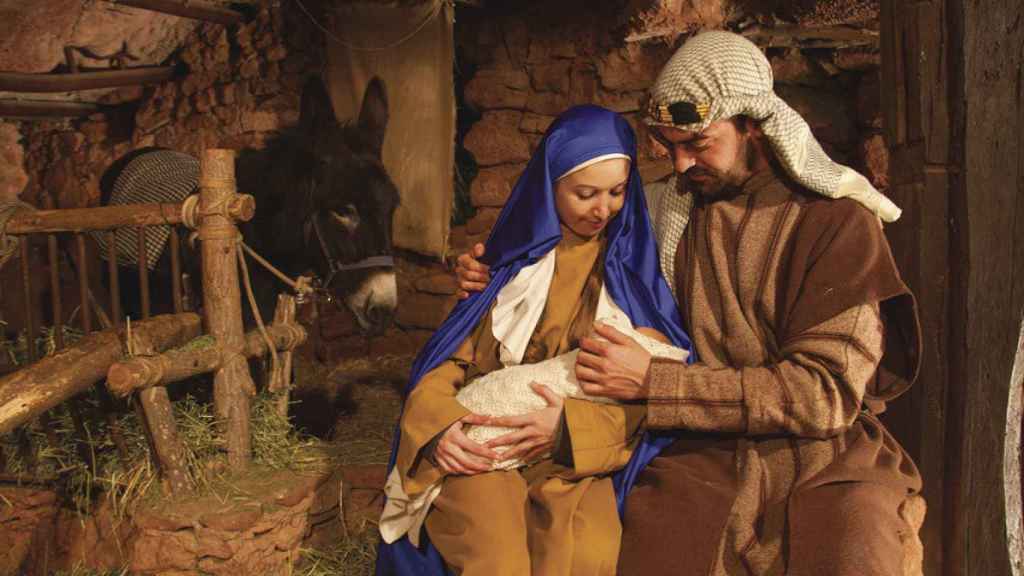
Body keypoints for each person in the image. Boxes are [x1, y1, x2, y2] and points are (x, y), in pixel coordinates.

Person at [454, 31, 924, 575]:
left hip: (827, 454)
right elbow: (556, 250)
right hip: (697, 451)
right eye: (668, 147)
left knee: (854, 551)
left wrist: (654, 382)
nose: (679, 165)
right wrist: (483, 270)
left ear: (752, 123)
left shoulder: (838, 225)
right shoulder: (667, 211)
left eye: (697, 144)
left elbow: (823, 397)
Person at [375, 105, 695, 576]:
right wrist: (439, 429)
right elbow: (448, 363)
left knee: (587, 556)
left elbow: (652, 394)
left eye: (616, 193)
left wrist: (565, 428)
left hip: (574, 459)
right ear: (551, 186)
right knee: (497, 560)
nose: (602, 209)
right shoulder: (508, 265)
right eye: (584, 193)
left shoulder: (633, 278)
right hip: (488, 449)